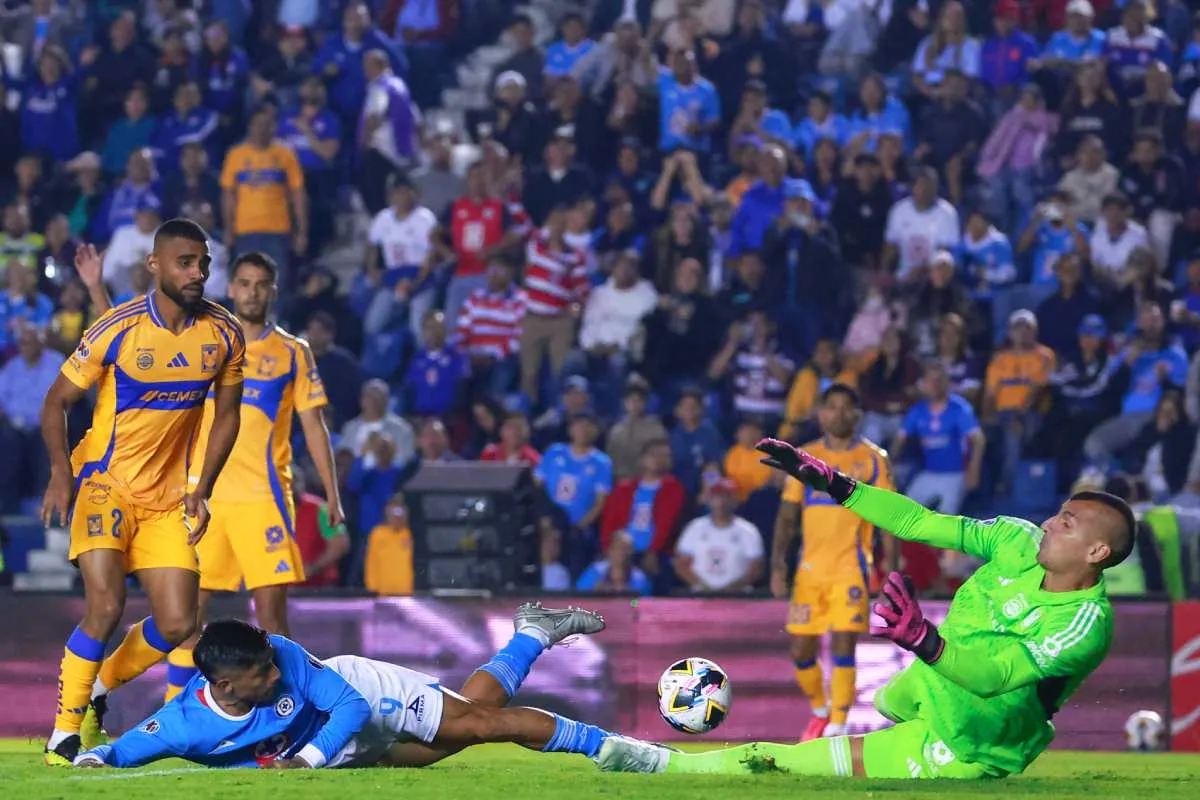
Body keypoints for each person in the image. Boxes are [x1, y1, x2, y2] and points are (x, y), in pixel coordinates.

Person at [599, 438, 1135, 779]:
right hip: (932, 683)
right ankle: (898, 711)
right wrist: (838, 484)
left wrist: (927, 641)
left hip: (975, 731)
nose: (1047, 523)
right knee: (887, 701)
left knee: (785, 763)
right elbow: (920, 522)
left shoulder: (1085, 624)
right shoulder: (1016, 540)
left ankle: (661, 763)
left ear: (1097, 552)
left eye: (1066, 523)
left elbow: (996, 677)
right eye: (1057, 514)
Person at [39, 220, 247, 766]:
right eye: (185, 262)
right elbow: (55, 401)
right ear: (155, 265)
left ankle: (99, 687)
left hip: (167, 499)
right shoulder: (119, 327)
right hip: (105, 484)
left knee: (181, 623)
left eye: (202, 263)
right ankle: (62, 734)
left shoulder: (224, 333)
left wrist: (203, 487)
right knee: (105, 606)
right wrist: (62, 472)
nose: (197, 273)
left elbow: (228, 417)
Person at [74, 606, 627, 769]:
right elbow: (120, 753)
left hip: (358, 692)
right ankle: (530, 635)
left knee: (482, 725)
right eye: (261, 674)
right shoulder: (182, 724)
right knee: (467, 726)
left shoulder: (285, 657)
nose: (275, 674)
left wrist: (306, 762)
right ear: (223, 684)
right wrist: (91, 760)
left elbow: (349, 704)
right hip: (344, 748)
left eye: (271, 664)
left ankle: (612, 750)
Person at [152, 252, 342, 702]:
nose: (252, 292)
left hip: (264, 500)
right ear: (231, 288)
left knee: (273, 620)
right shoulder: (207, 341)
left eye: (261, 284)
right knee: (185, 617)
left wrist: (332, 493)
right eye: (244, 283)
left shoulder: (293, 352)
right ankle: (177, 710)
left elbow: (314, 425)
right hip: (206, 498)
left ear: (272, 290)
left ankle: (289, 715)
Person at [771, 384, 894, 741]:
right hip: (810, 572)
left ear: (857, 414)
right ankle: (821, 709)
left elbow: (889, 517)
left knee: (843, 645)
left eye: (846, 407)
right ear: (821, 413)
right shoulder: (804, 456)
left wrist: (892, 572)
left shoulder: (873, 459)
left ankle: (839, 723)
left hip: (851, 569)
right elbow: (787, 517)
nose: (839, 413)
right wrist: (778, 565)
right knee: (801, 652)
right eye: (832, 407)